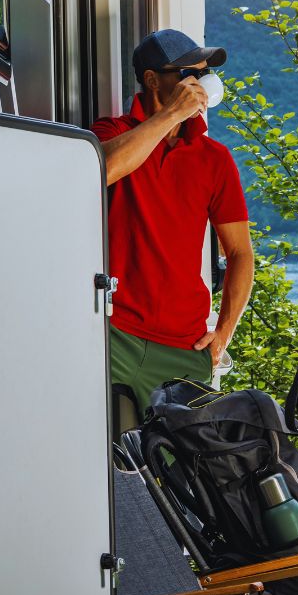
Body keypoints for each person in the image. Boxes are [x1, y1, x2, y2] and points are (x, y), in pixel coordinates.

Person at [91, 29, 255, 415]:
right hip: (114, 335)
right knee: (108, 462)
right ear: (152, 80)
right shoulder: (112, 132)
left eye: (204, 74)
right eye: (189, 75)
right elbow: (103, 169)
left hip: (184, 347)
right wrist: (171, 115)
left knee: (179, 471)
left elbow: (241, 254)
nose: (201, 84)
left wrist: (223, 335)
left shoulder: (215, 159)